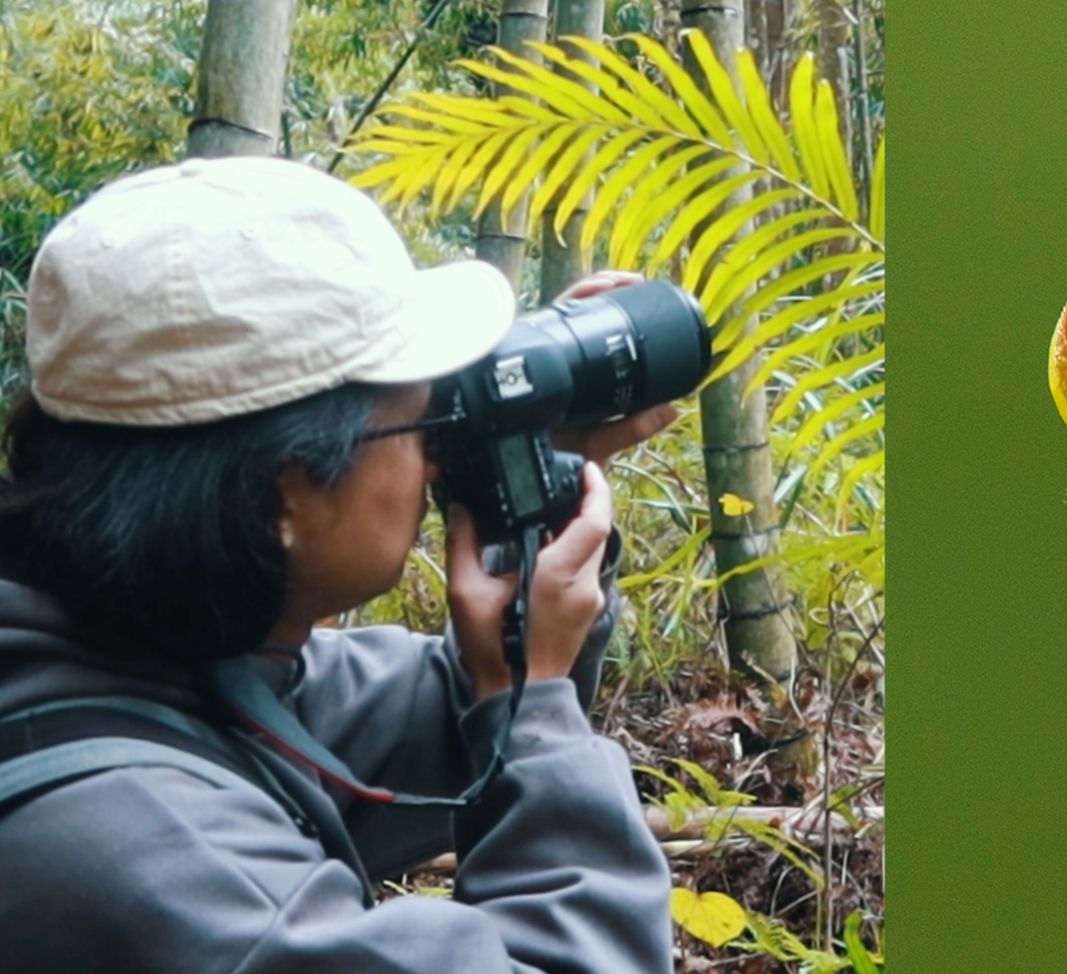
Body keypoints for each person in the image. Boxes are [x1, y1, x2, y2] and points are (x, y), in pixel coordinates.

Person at [0, 157, 676, 971]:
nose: (433, 463)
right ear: (284, 493)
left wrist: (519, 466)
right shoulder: (166, 865)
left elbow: (433, 714)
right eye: (423, 427)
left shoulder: (105, 643)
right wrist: (528, 705)